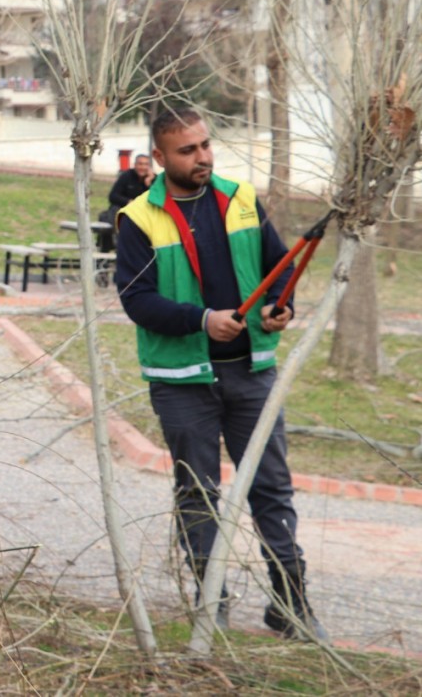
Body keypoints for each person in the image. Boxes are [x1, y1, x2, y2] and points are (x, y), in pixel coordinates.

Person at [113, 106, 327, 642]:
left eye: (206, 144)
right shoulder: (138, 217)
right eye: (187, 150)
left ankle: (290, 607)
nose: (203, 156)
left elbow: (280, 268)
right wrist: (202, 320)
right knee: (197, 493)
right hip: (182, 379)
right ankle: (212, 606)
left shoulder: (242, 199)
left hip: (252, 373)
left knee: (272, 489)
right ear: (160, 158)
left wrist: (282, 306)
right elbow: (136, 300)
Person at [97, 154, 153, 252]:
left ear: (149, 167)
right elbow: (113, 196)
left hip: (144, 213)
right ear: (135, 165)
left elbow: (156, 200)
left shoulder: (154, 179)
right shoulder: (126, 176)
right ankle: (117, 248)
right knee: (114, 215)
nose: (142, 167)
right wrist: (129, 202)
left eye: (145, 164)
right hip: (124, 210)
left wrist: (148, 184)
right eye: (140, 164)